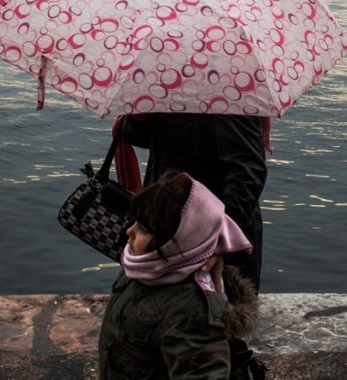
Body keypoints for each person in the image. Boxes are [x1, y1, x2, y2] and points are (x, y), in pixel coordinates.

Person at [98, 173, 261, 380]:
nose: (128, 231)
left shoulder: (191, 311)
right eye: (135, 222)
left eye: (142, 229)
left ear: (175, 244)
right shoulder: (144, 267)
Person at [121, 114, 268, 291]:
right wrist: (139, 116)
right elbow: (142, 138)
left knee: (216, 313)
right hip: (163, 230)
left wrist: (218, 243)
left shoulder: (229, 94)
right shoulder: (164, 89)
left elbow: (248, 171)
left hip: (212, 239)